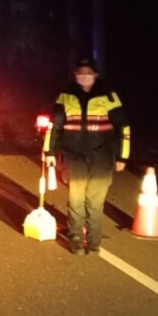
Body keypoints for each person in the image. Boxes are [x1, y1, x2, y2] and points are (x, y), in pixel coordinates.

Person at [43, 57, 131, 255]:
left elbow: (123, 127)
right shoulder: (66, 96)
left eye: (88, 73)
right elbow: (54, 126)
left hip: (102, 157)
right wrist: (49, 152)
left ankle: (94, 241)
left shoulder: (108, 95)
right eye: (80, 73)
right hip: (74, 156)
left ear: (95, 75)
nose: (84, 77)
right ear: (75, 76)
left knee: (95, 201)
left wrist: (122, 157)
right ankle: (75, 238)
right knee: (75, 199)